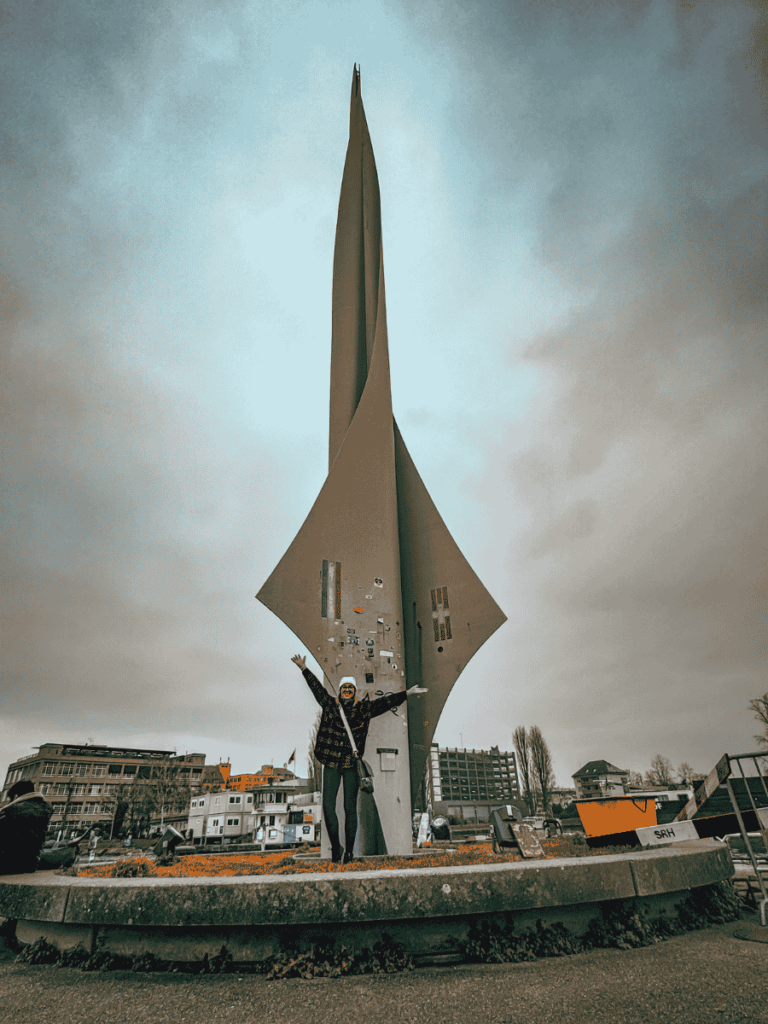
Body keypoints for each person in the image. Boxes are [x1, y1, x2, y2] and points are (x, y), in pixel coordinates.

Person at [292, 654, 426, 863]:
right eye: (344, 688)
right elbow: (317, 689)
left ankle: (349, 853)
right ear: (340, 691)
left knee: (349, 808)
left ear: (354, 692)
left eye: (350, 688)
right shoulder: (330, 705)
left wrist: (407, 693)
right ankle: (336, 847)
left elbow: (385, 703)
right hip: (331, 762)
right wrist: (304, 668)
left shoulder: (363, 709)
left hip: (350, 765)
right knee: (327, 806)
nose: (347, 690)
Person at [0, 781, 52, 875]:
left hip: (6, 862)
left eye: (10, 798)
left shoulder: (11, 810)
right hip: (30, 864)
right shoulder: (46, 808)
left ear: (16, 796)